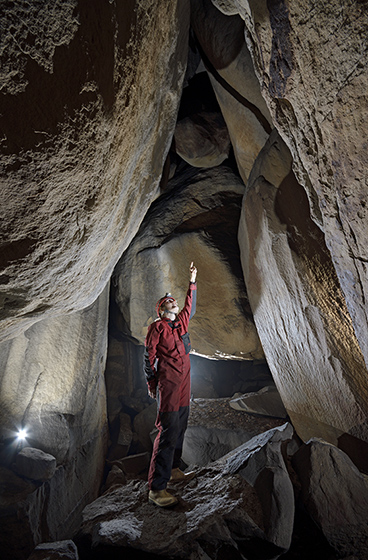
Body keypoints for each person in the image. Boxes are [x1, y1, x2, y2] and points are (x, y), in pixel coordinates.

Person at [144, 262, 197, 507]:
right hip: (169, 383)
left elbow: (190, 306)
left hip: (184, 382)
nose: (173, 302)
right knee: (167, 431)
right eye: (168, 302)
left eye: (174, 301)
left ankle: (174, 468)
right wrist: (151, 380)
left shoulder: (181, 323)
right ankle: (156, 488)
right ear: (161, 309)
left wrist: (192, 281)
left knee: (181, 425)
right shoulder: (158, 328)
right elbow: (149, 355)